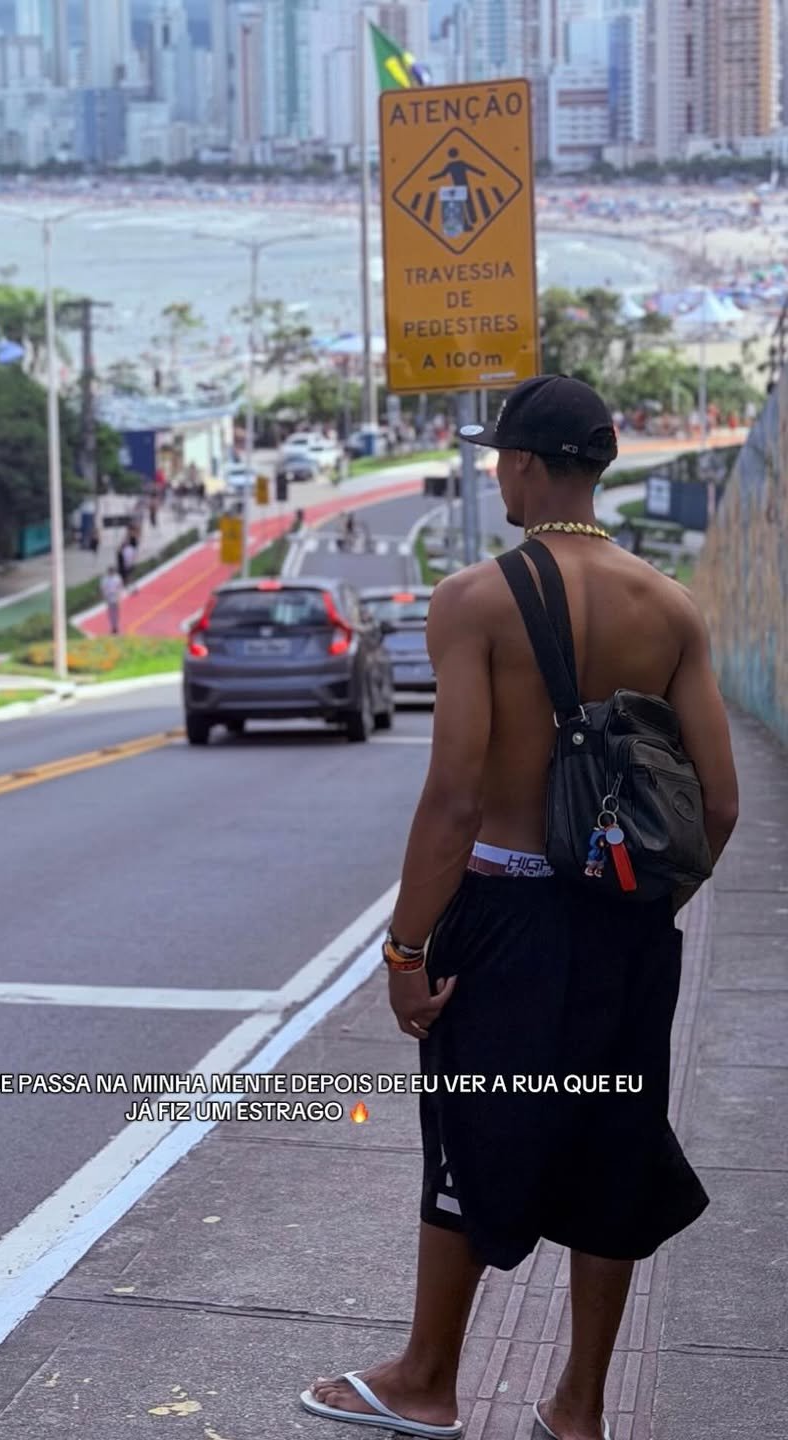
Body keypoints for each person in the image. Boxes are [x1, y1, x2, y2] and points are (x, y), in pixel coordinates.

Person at [302, 375, 739, 1440]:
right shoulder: (670, 609)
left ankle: (426, 1379)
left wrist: (409, 948)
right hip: (627, 927)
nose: (497, 470)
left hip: (503, 922)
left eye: (503, 456)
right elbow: (717, 805)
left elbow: (454, 799)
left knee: (471, 1128)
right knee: (612, 1136)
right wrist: (634, 904)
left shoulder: (479, 601)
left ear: (532, 466)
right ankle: (579, 1408)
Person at [100, 566, 125, 635]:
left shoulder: (117, 578)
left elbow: (120, 587)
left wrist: (120, 595)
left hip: (116, 597)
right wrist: (104, 596)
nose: (111, 572)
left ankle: (116, 626)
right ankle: (112, 627)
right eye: (110, 571)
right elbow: (103, 588)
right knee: (111, 613)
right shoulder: (105, 579)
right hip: (109, 597)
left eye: (112, 571)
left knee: (116, 613)